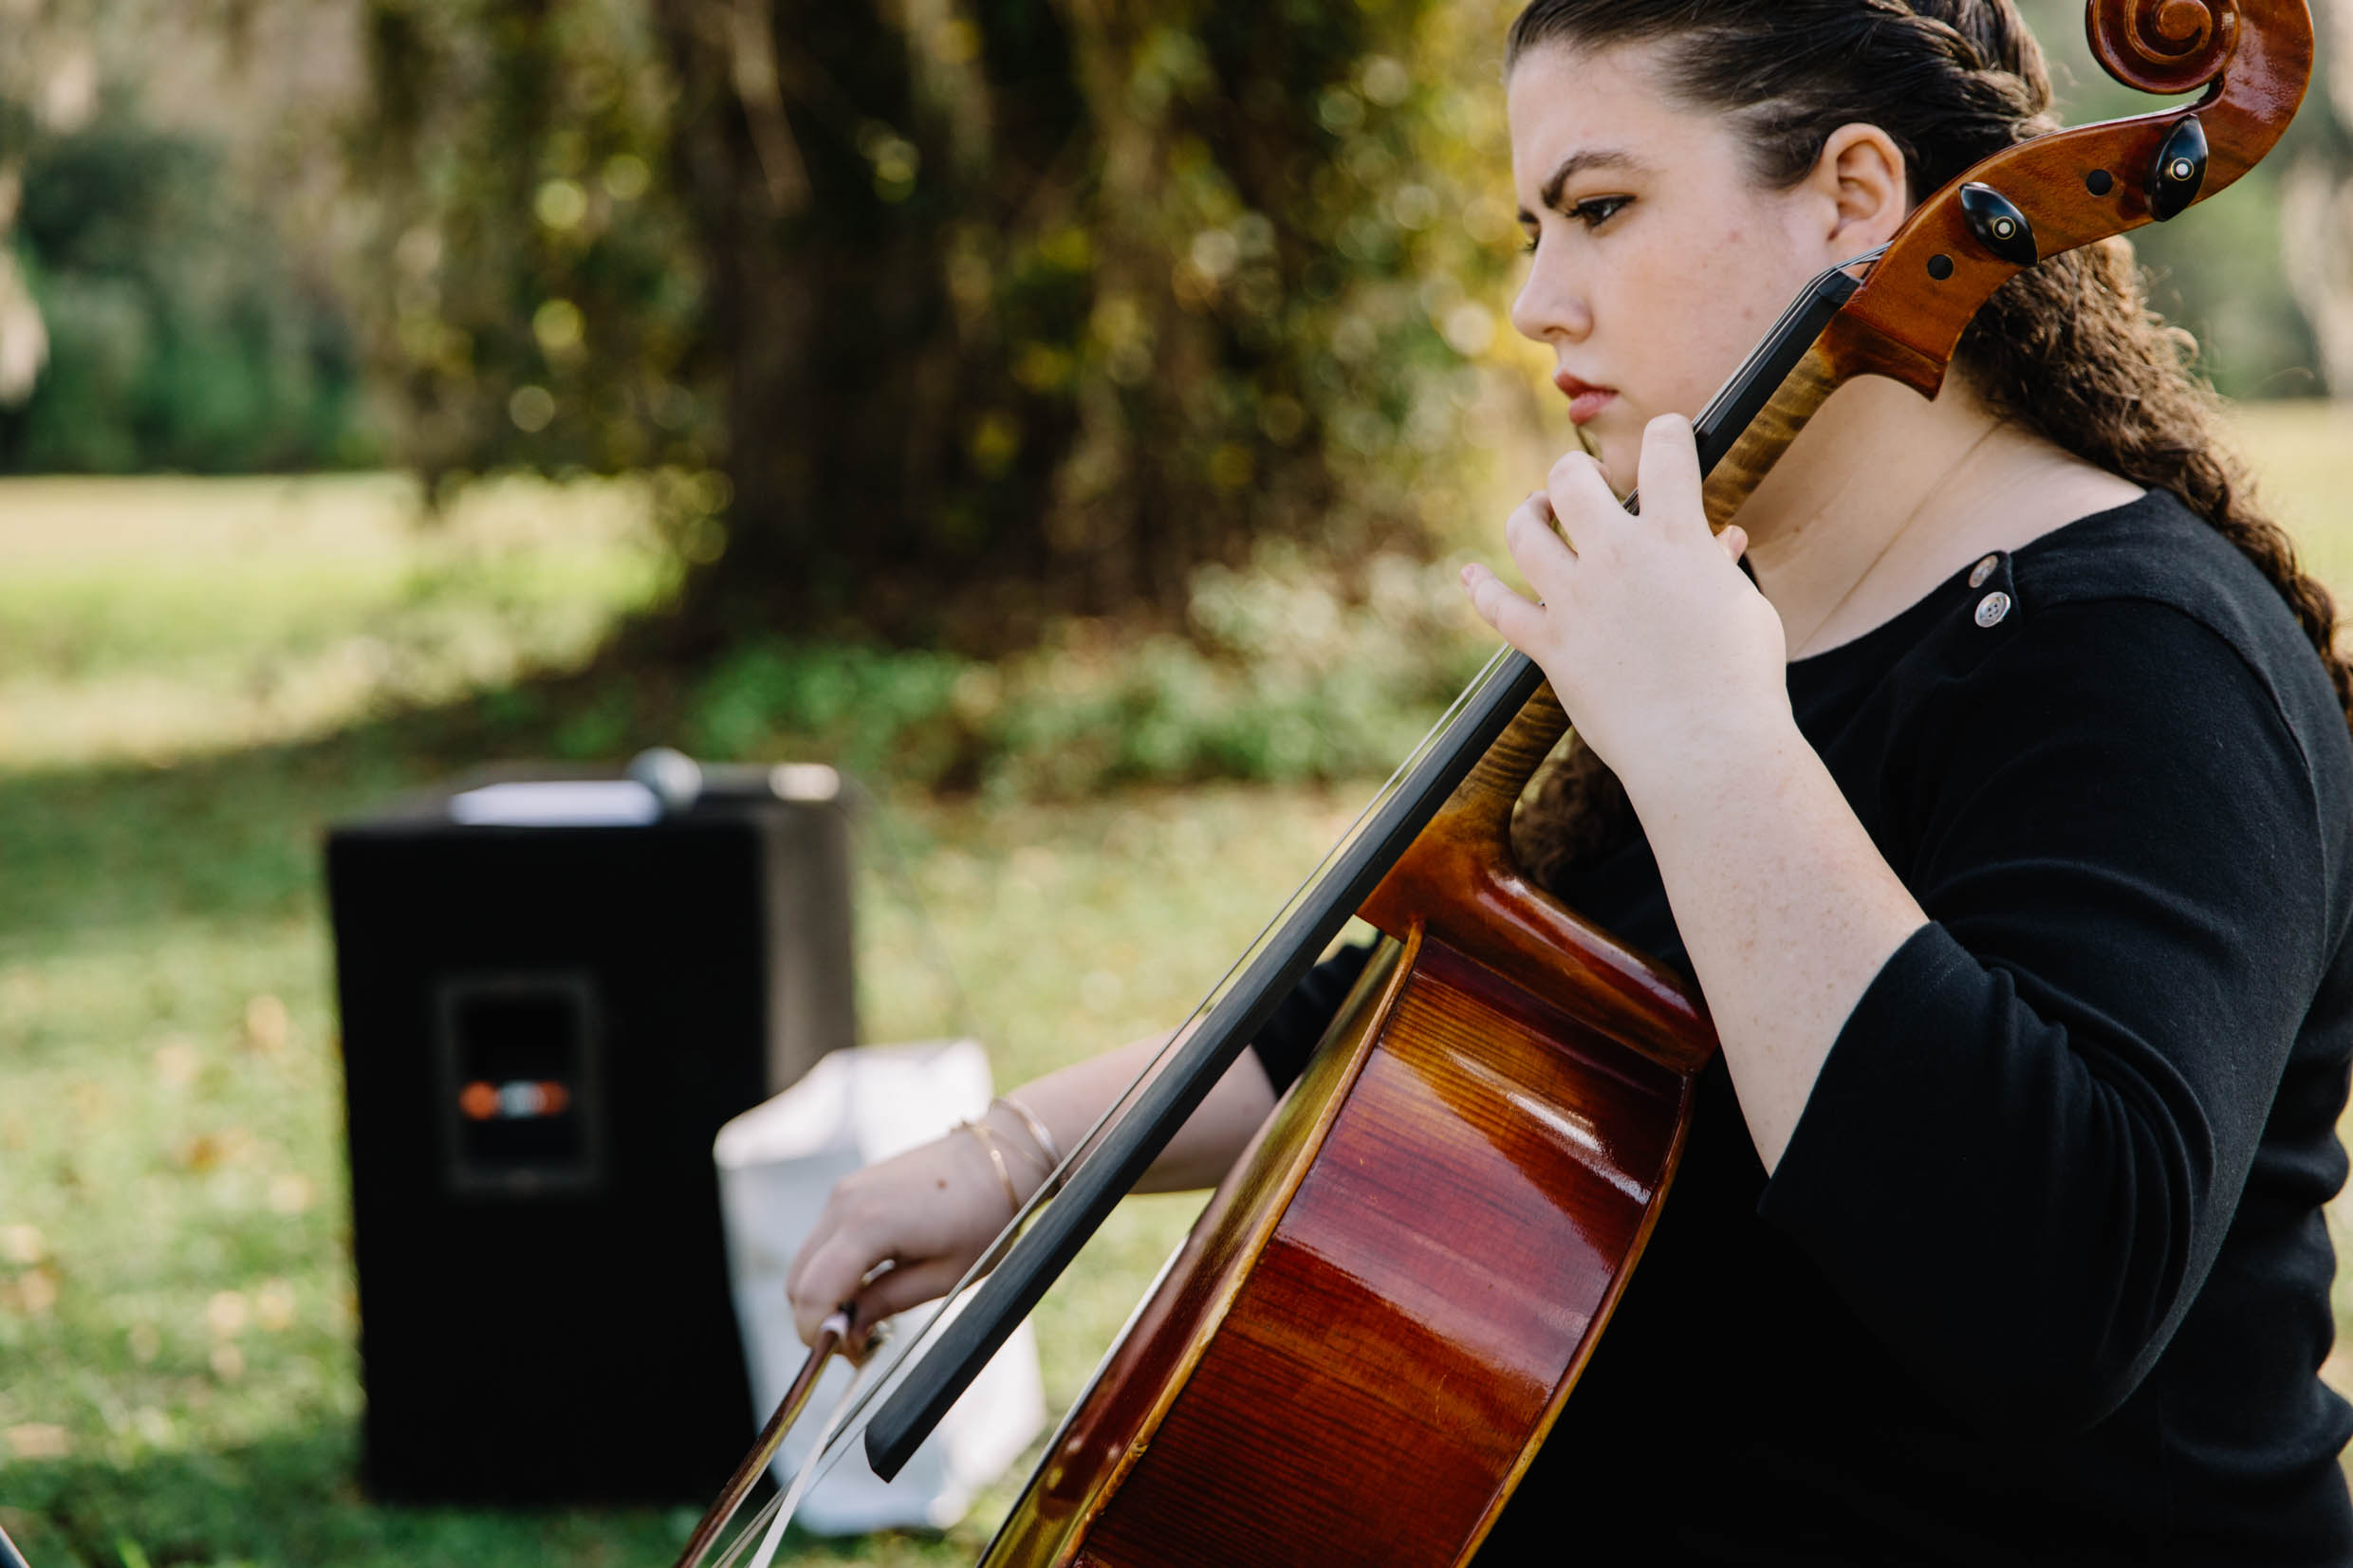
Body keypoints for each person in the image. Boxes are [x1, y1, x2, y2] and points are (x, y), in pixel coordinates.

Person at [786, 1, 2353, 1559]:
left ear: (1857, 202)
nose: (1538, 300)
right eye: (1534, 224)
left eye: (1600, 209)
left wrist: (1715, 748)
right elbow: (1468, 1010)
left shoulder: (2142, 649)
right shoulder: (1728, 598)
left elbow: (2053, 1298)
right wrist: (1013, 1160)